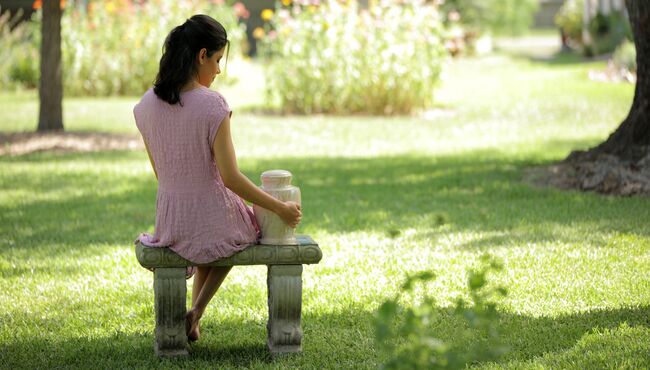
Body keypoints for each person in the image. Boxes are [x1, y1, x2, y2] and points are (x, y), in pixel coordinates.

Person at [133, 14, 302, 343]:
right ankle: (196, 311)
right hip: (213, 218)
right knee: (244, 231)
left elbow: (161, 172)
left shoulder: (145, 105)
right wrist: (280, 208)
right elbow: (231, 178)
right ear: (201, 56)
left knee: (215, 234)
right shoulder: (213, 105)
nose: (219, 70)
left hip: (171, 221)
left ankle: (194, 319)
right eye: (218, 59)